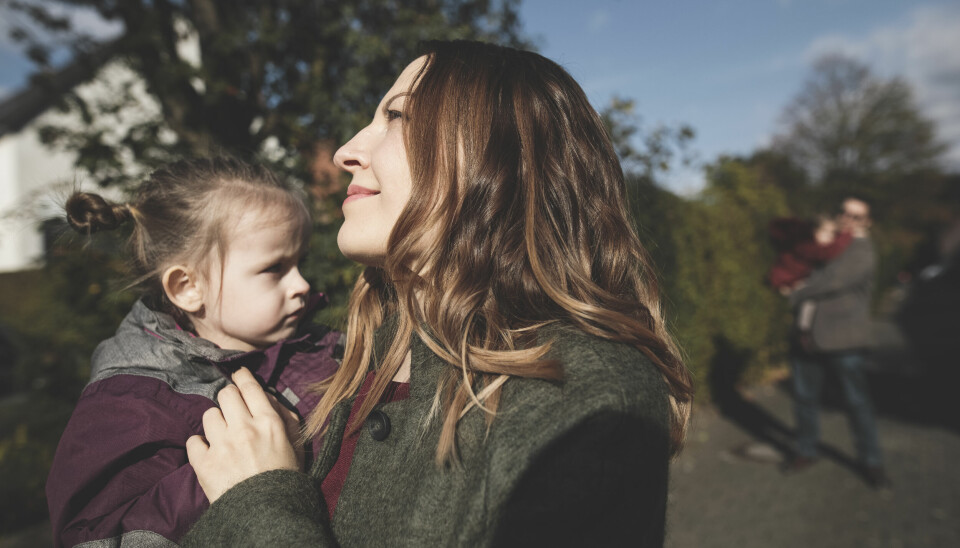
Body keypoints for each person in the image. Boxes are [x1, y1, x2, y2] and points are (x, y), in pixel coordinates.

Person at [180, 41, 694, 547]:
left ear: (499, 159)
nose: (345, 151)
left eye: (397, 117)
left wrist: (260, 501)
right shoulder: (354, 366)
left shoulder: (590, 393)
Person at [46, 158, 342, 547]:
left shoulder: (320, 345)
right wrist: (236, 475)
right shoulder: (134, 401)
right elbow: (97, 537)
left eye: (299, 263)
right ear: (187, 286)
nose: (302, 284)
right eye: (275, 268)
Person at [782, 197, 889, 489]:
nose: (848, 219)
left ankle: (871, 460)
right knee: (804, 398)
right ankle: (806, 450)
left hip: (844, 341)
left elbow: (833, 282)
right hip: (806, 337)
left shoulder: (862, 249)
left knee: (856, 402)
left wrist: (795, 292)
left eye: (856, 216)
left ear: (866, 222)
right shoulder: (825, 243)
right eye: (844, 213)